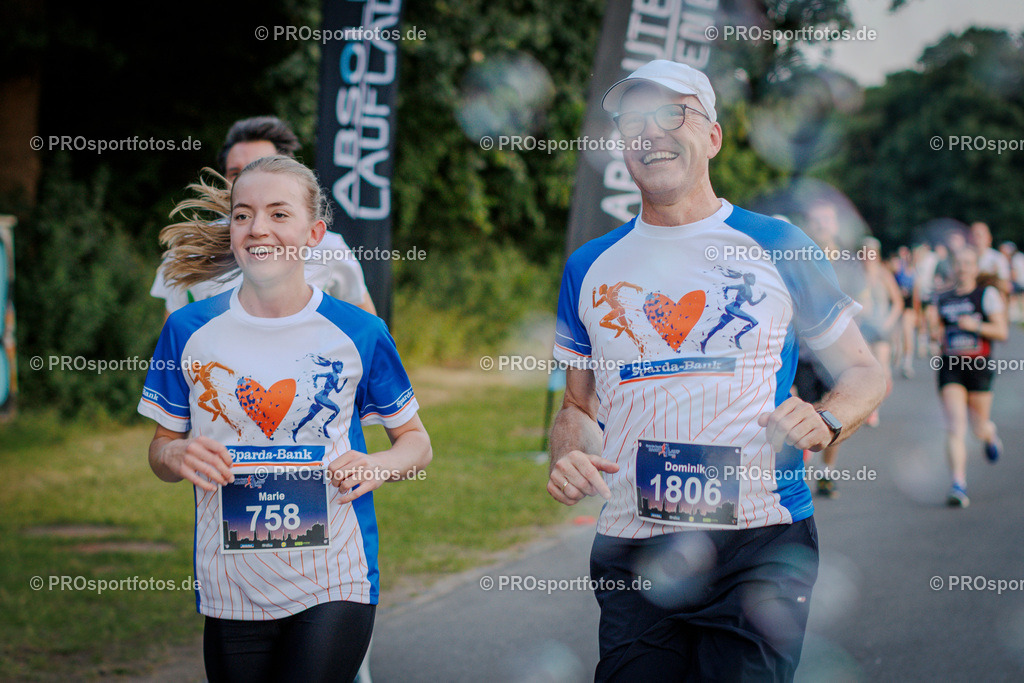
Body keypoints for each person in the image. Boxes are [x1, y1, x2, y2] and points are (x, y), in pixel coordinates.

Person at [547, 60, 885, 681]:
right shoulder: (589, 265)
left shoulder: (778, 244)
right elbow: (576, 408)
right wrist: (567, 451)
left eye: (673, 113)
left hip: (758, 542)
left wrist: (827, 418)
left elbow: (865, 372)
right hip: (634, 543)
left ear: (713, 137)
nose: (651, 132)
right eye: (633, 120)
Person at [138, 156, 431, 681]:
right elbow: (160, 452)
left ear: (314, 232)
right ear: (230, 229)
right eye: (243, 215)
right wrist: (175, 453)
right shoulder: (188, 329)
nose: (259, 229)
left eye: (278, 213)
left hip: (334, 576)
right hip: (231, 583)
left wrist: (378, 464)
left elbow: (415, 441)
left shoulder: (359, 332)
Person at [151, 116, 377, 318]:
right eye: (236, 173)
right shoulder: (190, 249)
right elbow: (173, 346)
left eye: (261, 167)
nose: (250, 180)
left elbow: (367, 336)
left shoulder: (329, 248)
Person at [792, 200, 870, 497]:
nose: (822, 224)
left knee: (832, 410)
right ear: (809, 226)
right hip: (802, 351)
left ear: (835, 225)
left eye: (827, 218)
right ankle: (802, 460)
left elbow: (862, 303)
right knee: (806, 408)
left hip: (835, 354)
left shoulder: (849, 263)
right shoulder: (798, 261)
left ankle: (826, 473)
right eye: (816, 219)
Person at [927, 246, 1008, 507]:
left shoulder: (986, 294)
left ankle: (990, 434)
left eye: (967, 262)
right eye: (958, 262)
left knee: (978, 427)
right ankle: (958, 484)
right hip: (951, 366)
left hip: (979, 367)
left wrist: (977, 326)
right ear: (952, 267)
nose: (962, 267)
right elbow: (937, 331)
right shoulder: (944, 297)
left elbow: (1001, 331)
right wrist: (933, 334)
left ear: (975, 267)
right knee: (955, 425)